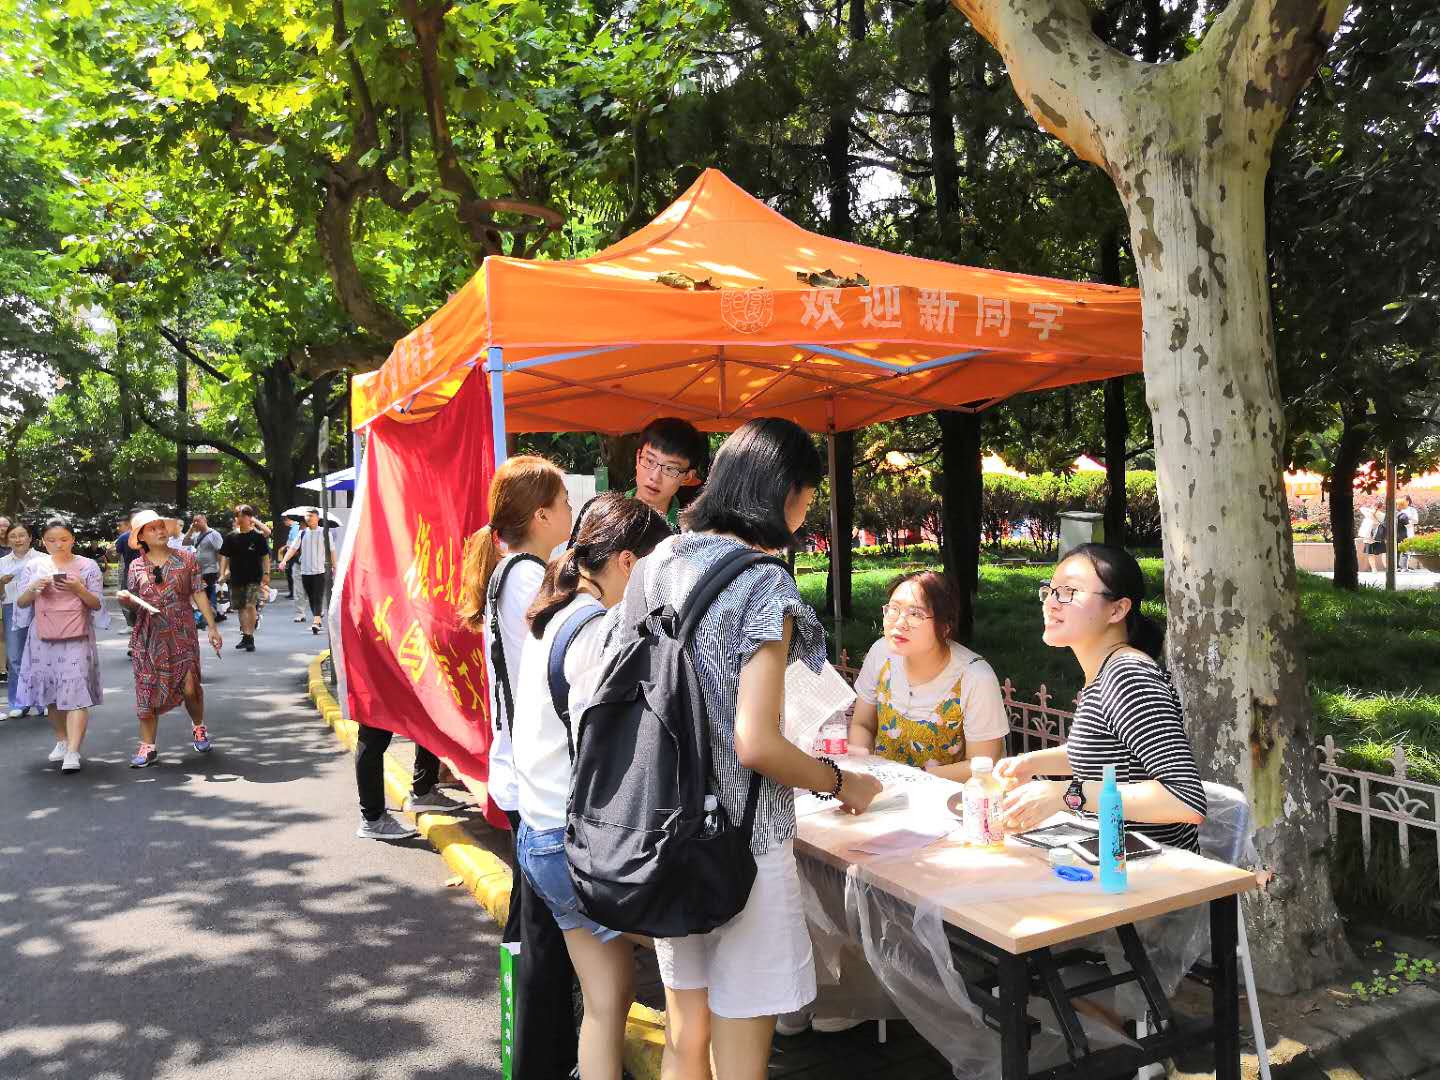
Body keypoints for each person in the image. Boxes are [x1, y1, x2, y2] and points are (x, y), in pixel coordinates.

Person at [602, 418, 882, 1080]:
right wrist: (843, 784)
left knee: (684, 1037)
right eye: (808, 497)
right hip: (744, 849)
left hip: (666, 833)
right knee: (741, 1059)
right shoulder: (764, 583)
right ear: (786, 493)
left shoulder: (657, 562)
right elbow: (755, 742)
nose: (805, 511)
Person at [511, 493, 671, 1080]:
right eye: (654, 569)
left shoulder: (554, 615)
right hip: (575, 843)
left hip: (540, 833)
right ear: (628, 562)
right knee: (686, 950)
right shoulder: (597, 631)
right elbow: (612, 746)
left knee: (607, 997)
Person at [456, 454, 575, 1079]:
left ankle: (526, 1053)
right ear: (542, 515)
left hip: (517, 770)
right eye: (565, 503)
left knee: (531, 933)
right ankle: (539, 1061)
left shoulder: (511, 571)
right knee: (544, 944)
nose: (572, 513)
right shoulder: (530, 577)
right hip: (537, 777)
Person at [996, 543, 1207, 852]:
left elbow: (1185, 800)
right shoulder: (1105, 670)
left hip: (1153, 871)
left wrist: (1067, 794)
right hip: (1108, 858)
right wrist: (1029, 763)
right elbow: (1105, 754)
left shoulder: (1128, 676)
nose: (1051, 603)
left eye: (1068, 592)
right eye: (1050, 591)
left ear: (1117, 610)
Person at [848, 571, 1009, 781]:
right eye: (894, 609)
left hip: (948, 797)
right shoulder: (881, 652)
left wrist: (909, 779)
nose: (900, 623)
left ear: (945, 626)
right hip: (881, 790)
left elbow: (982, 764)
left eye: (915, 614)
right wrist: (864, 765)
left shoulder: (975, 677)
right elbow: (862, 724)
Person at [119, 510, 224, 768]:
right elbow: (133, 600)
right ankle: (148, 746)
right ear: (141, 536)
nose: (160, 531)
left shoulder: (187, 559)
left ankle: (198, 726)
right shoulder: (136, 566)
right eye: (152, 528)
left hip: (181, 631)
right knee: (147, 689)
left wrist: (212, 627)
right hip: (148, 635)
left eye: (161, 526)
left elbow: (198, 592)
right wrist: (126, 601)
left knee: (190, 687)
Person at [12, 519, 107, 772]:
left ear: (73, 539)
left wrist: (78, 588)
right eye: (51, 540)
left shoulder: (88, 566)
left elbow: (96, 603)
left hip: (77, 636)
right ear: (43, 542)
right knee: (51, 693)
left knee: (76, 693)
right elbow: (21, 603)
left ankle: (73, 751)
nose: (58, 545)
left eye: (64, 539)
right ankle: (62, 740)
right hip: (42, 637)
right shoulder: (34, 566)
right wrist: (33, 589)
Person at [627, 417, 707, 532]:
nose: (655, 477)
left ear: (687, 477)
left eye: (670, 469)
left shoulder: (690, 533)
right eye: (650, 461)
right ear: (637, 458)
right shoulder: (605, 514)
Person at [2, 522, 43, 718]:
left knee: (41, 655)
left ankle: (45, 702)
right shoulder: (2, 563)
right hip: (11, 608)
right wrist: (1, 583)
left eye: (22, 535)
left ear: (30, 538)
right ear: (7, 540)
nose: (18, 540)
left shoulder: (43, 559)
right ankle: (19, 702)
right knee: (15, 656)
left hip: (40, 608)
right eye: (13, 536)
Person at [219, 504, 271, 652]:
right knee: (240, 607)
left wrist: (267, 573)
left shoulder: (258, 537)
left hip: (254, 577)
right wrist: (222, 573)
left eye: (243, 515)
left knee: (250, 605)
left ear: (250, 518)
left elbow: (265, 557)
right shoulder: (231, 537)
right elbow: (224, 556)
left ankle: (250, 636)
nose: (240, 518)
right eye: (238, 516)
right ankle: (245, 636)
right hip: (236, 577)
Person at [279, 509, 335, 635]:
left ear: (317, 518)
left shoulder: (325, 533)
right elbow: (293, 548)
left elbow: (332, 550)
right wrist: (284, 561)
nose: (309, 518)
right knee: (310, 596)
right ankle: (317, 618)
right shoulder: (302, 533)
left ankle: (316, 622)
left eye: (311, 516)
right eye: (307, 516)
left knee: (317, 595)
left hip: (320, 570)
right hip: (305, 570)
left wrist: (334, 566)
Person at [184, 513, 226, 622]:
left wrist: (222, 571)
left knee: (207, 591)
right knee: (204, 593)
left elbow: (221, 553)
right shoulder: (197, 535)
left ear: (205, 520)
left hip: (211, 569)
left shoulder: (214, 534)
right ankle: (211, 614)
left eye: (197, 521)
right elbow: (185, 542)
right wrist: (191, 529)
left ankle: (212, 613)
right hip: (199, 571)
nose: (195, 523)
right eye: (194, 521)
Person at [1398, 495, 1419, 571]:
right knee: (1398, 549)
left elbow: (1416, 521)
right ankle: (1398, 566)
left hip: (1408, 531)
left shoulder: (1412, 510)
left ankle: (1404, 567)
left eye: (1404, 500)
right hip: (1399, 532)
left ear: (1408, 501)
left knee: (1407, 549)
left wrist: (1407, 518)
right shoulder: (1398, 509)